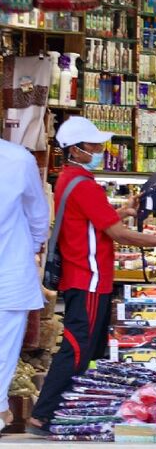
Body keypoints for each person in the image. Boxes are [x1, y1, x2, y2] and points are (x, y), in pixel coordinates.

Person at [29, 117, 156, 435]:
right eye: (93, 145)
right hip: (88, 277)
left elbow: (90, 222)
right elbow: (120, 235)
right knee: (78, 347)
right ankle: (43, 414)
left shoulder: (70, 179)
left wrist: (121, 211)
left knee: (88, 348)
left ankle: (67, 410)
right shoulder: (84, 185)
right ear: (75, 150)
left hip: (84, 277)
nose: (99, 149)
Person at [0, 140, 49, 430]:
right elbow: (38, 216)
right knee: (3, 350)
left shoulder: (19, 159)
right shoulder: (18, 159)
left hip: (12, 274)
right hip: (11, 274)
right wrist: (26, 250)